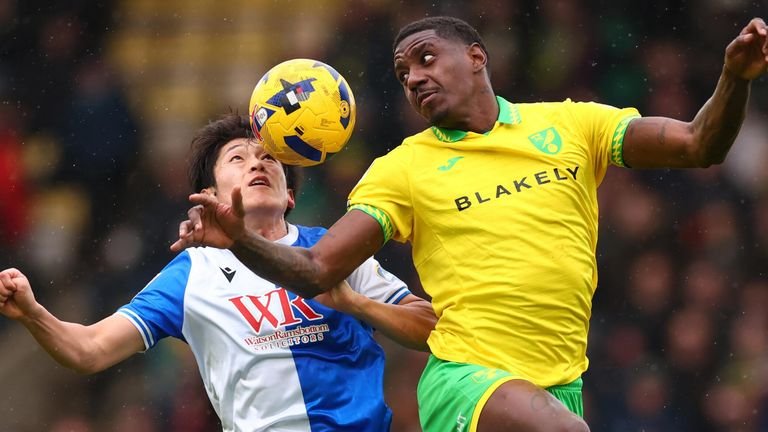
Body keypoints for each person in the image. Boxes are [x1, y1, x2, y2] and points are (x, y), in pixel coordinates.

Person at [170, 16, 768, 432]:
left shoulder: (572, 125)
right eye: (405, 74)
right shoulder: (402, 169)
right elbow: (317, 269)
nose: (415, 78)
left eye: (427, 59)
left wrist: (734, 79)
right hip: (467, 381)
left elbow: (697, 145)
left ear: (477, 57)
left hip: (559, 382)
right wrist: (241, 239)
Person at [0, 113, 436, 432]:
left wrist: (353, 302)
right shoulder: (193, 272)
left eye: (270, 158)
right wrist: (34, 313)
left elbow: (429, 328)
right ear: (210, 194)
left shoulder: (334, 249)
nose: (257, 163)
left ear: (289, 196)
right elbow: (90, 349)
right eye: (238, 158)